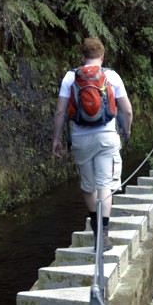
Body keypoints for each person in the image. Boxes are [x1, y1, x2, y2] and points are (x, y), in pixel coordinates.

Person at [52, 37, 133, 251]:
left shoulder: (70, 77)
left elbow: (60, 111)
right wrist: (127, 129)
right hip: (107, 136)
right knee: (105, 185)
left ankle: (97, 233)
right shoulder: (112, 76)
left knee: (89, 187)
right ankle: (104, 237)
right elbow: (127, 110)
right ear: (102, 56)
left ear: (82, 56)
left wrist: (56, 139)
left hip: (80, 139)